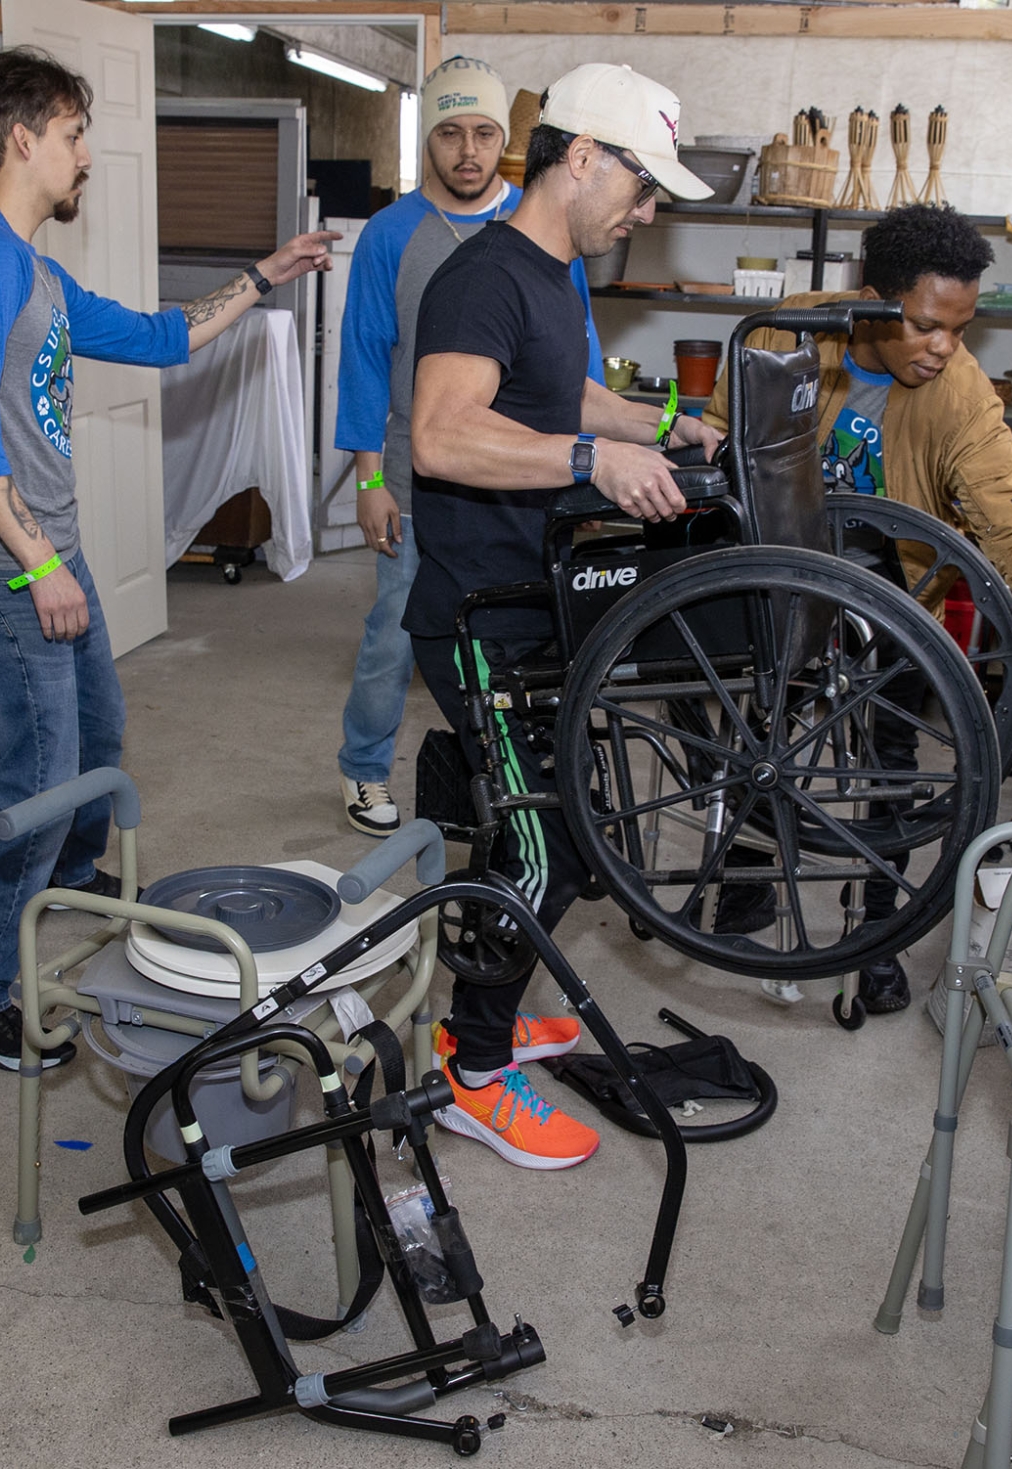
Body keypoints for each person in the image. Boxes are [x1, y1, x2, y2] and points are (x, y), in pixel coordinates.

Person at [0, 47, 337, 1070]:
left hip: (44, 552)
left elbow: (159, 338)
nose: (87, 156)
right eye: (72, 135)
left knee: (99, 732)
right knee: (43, 772)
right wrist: (38, 564)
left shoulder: (35, 270)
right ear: (23, 139)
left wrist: (262, 277)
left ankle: (73, 877)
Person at [702, 202, 1012, 1016]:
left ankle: (878, 931)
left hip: (892, 588)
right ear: (870, 301)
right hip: (779, 574)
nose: (944, 347)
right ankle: (750, 892)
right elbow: (721, 440)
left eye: (961, 328)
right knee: (761, 737)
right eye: (928, 325)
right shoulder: (781, 336)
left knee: (891, 766)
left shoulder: (962, 397)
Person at [404, 62, 721, 1169]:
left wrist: (659, 422)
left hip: (532, 606)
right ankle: (471, 1076)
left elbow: (554, 389)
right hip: (476, 623)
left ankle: (475, 1017)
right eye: (641, 189)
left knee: (556, 831)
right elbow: (442, 435)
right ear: (580, 155)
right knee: (545, 851)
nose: (645, 214)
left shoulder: (549, 276)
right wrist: (596, 458)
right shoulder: (482, 274)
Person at [334, 55, 607, 838]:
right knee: (396, 630)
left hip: (516, 477)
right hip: (416, 476)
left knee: (517, 638)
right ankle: (362, 765)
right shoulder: (392, 234)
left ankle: (500, 770)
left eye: (484, 133)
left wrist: (586, 460)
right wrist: (368, 481)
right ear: (429, 141)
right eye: (450, 133)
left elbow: (575, 356)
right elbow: (364, 359)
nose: (467, 150)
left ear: (505, 141)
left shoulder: (544, 222)